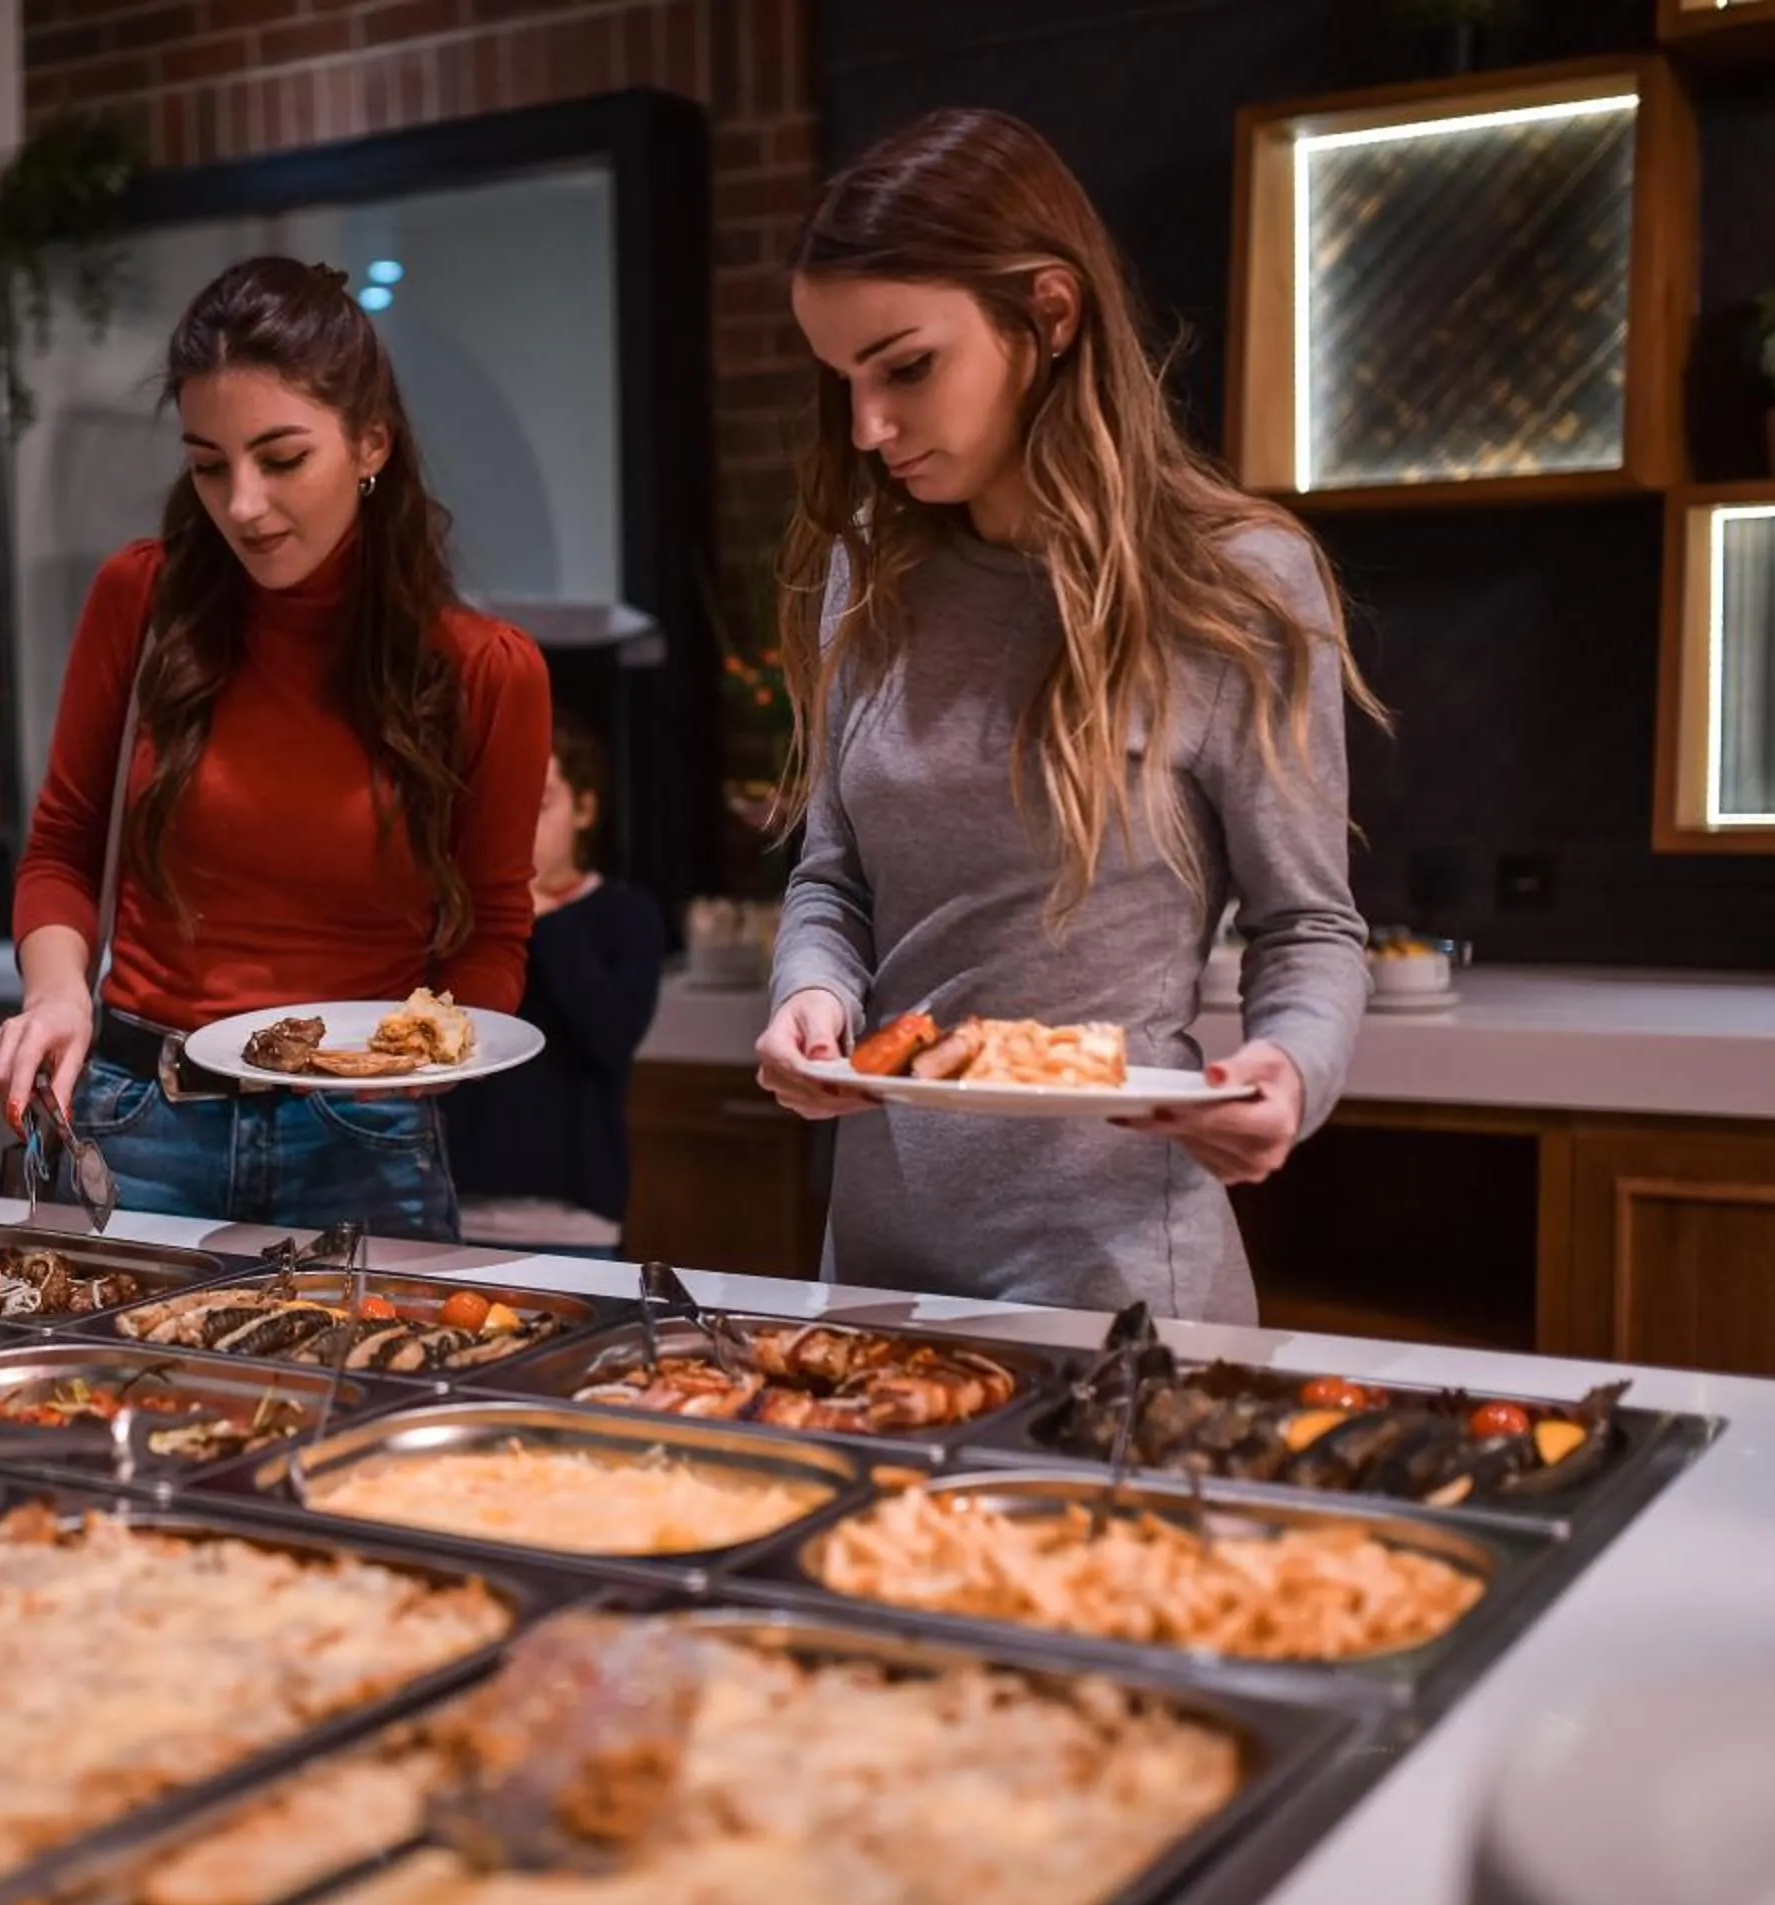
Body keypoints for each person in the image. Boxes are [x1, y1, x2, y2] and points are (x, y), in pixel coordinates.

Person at [750, 109, 1381, 1323]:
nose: (869, 429)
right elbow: (834, 881)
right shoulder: (866, 570)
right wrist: (808, 999)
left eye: (906, 366)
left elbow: (1309, 925)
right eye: (845, 383)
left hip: (1121, 1278)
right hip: (876, 1273)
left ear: (1049, 313)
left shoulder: (1239, 582)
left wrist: (1289, 1075)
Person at [0, 256, 552, 1241]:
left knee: (380, 1396)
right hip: (138, 1122)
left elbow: (493, 930)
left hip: (361, 1137)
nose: (242, 503)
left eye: (281, 459)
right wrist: (56, 994)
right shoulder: (143, 601)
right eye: (210, 464)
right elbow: (64, 847)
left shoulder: (487, 671)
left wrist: (419, 1049)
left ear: (371, 442)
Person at [444, 721, 667, 1252]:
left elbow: (612, 1037)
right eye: (504, 806)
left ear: (584, 810)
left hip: (571, 1212)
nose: (519, 825)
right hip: (451, 1203)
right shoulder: (459, 917)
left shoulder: (624, 913)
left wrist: (539, 915)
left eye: (539, 804)